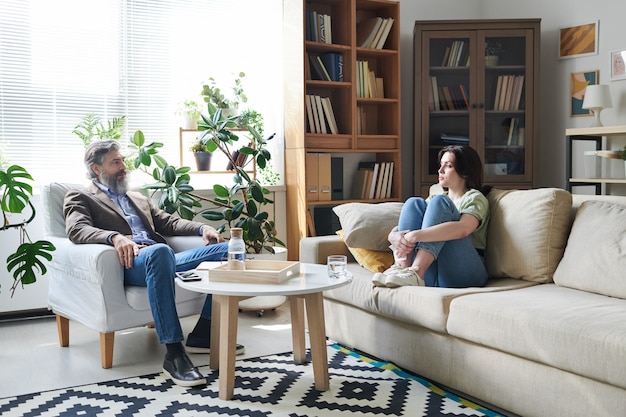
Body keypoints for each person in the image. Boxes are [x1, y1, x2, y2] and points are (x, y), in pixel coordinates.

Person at [64, 139, 243, 388]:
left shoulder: (136, 197)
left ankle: (204, 332)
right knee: (159, 251)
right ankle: (174, 354)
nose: (123, 166)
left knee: (231, 249)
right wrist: (114, 237)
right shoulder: (81, 196)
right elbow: (77, 229)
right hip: (130, 263)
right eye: (116, 162)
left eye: (123, 160)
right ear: (97, 169)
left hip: (163, 258)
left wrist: (203, 227)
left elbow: (168, 223)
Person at [372, 144, 491, 288]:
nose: (440, 170)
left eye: (448, 166)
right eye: (441, 165)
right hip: (437, 271)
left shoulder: (474, 197)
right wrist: (393, 236)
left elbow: (463, 228)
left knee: (439, 202)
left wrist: (416, 236)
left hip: (467, 272)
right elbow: (414, 223)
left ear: (465, 171)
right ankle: (402, 268)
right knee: (414, 203)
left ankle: (416, 272)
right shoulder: (438, 197)